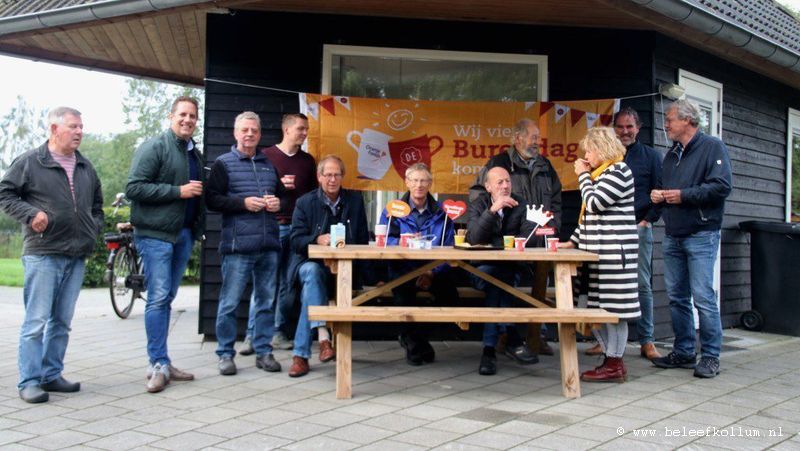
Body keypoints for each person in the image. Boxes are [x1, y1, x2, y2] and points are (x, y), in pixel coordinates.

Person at [0, 107, 103, 403]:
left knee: (61, 321)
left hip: (76, 253)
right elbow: (5, 194)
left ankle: (51, 374)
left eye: (81, 126)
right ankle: (29, 380)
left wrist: (92, 229)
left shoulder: (85, 166)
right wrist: (31, 213)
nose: (79, 131)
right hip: (43, 253)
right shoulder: (31, 162)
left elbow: (97, 205)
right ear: (54, 129)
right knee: (36, 321)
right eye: (73, 126)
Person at [126, 96, 204, 393]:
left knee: (167, 298)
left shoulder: (193, 152)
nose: (188, 120)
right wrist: (177, 191)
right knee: (159, 298)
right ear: (171, 116)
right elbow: (134, 187)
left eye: (193, 116)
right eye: (182, 114)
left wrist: (194, 230)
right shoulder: (154, 146)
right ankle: (157, 364)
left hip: (182, 235)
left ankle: (163, 360)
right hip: (156, 235)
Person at [650, 99, 732, 379]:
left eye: (671, 119)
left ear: (687, 120)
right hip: (673, 234)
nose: (666, 124)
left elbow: (721, 186)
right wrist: (657, 198)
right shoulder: (671, 154)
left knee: (703, 297)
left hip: (701, 233)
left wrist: (683, 196)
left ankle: (710, 356)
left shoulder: (712, 147)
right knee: (676, 297)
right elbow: (665, 187)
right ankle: (684, 351)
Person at [472, 118, 562, 356]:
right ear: (518, 138)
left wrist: (552, 226)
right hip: (506, 245)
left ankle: (535, 334)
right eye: (533, 137)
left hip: (537, 239)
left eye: (538, 138)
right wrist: (490, 218)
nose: (537, 142)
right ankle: (508, 334)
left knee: (541, 281)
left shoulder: (545, 165)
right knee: (503, 277)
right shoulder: (499, 163)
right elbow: (478, 196)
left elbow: (556, 201)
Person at [205, 111, 285, 376]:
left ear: (260, 134)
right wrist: (242, 203)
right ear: (235, 133)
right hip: (238, 246)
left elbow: (281, 197)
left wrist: (277, 203)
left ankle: (263, 352)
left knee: (265, 301)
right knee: (229, 302)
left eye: (254, 130)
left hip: (268, 244)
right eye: (245, 130)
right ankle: (225, 354)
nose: (249, 134)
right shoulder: (223, 163)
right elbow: (212, 200)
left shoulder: (268, 163)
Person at [558, 127, 640, 383]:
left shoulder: (618, 171)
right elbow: (590, 219)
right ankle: (610, 358)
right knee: (595, 308)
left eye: (590, 151)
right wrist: (572, 242)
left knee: (613, 311)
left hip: (614, 256)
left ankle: (614, 362)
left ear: (602, 149)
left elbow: (594, 203)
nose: (587, 157)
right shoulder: (602, 173)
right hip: (597, 255)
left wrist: (583, 176)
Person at [585, 108, 663, 360]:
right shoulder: (603, 161)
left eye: (630, 126)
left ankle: (646, 339)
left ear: (638, 128)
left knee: (640, 285)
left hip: (636, 229)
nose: (626, 131)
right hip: (607, 235)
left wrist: (646, 221)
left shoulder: (650, 157)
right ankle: (607, 341)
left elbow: (659, 192)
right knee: (605, 286)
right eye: (620, 127)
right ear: (613, 129)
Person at [238, 113, 317, 355]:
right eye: (301, 129)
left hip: (297, 229)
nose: (304, 133)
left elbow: (313, 196)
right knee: (264, 282)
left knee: (287, 283)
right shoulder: (266, 156)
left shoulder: (308, 161)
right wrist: (279, 185)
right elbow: (253, 189)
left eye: (306, 129)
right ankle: (252, 335)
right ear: (287, 130)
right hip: (270, 227)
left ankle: (277, 332)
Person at [287, 155, 369, 377]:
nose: (332, 179)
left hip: (345, 269)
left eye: (337, 174)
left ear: (342, 177)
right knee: (312, 274)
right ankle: (324, 339)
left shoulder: (354, 200)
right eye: (328, 175)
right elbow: (295, 241)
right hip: (309, 264)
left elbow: (362, 238)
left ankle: (301, 355)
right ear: (319, 177)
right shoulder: (305, 202)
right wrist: (316, 238)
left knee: (310, 293)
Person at [378, 163, 459, 365]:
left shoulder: (443, 212)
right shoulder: (393, 210)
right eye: (414, 180)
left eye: (423, 180)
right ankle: (415, 345)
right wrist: (401, 241)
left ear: (430, 183)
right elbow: (384, 239)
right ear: (406, 183)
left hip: (434, 271)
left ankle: (416, 339)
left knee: (450, 297)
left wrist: (432, 272)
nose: (419, 185)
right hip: (403, 269)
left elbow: (450, 246)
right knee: (402, 296)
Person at [467, 167, 538, 376]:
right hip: (479, 271)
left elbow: (528, 239)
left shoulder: (521, 204)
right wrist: (492, 211)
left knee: (497, 282)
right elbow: (474, 238)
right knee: (498, 279)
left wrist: (499, 243)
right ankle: (512, 336)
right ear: (488, 187)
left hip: (510, 271)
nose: (505, 186)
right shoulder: (479, 205)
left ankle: (489, 351)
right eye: (499, 182)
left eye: (508, 181)